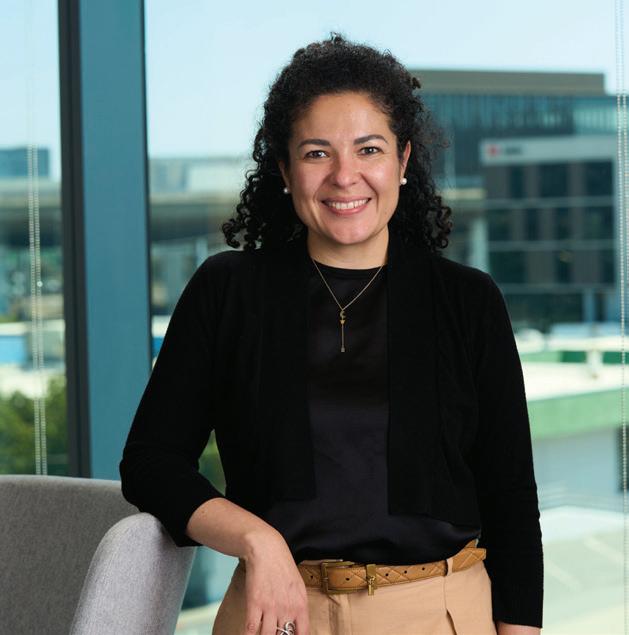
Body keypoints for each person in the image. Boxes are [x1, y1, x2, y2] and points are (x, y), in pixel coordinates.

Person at [119, 33, 543, 635]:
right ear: (285, 169)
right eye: (317, 153)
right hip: (274, 614)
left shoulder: (468, 301)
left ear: (402, 161)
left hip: (439, 613)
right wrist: (256, 539)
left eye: (369, 149)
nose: (345, 176)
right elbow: (149, 462)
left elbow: (512, 500)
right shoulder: (228, 290)